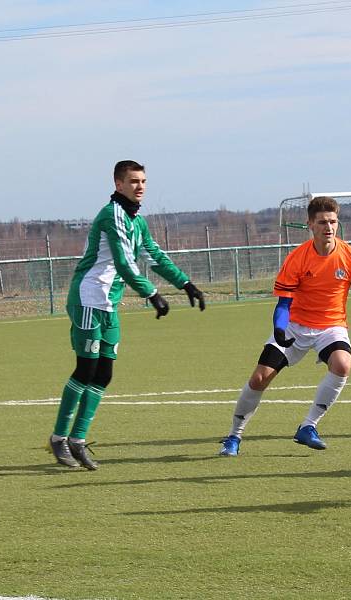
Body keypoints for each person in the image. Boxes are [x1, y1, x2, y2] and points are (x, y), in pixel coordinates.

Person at [49, 160, 206, 470]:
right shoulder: (112, 216)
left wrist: (186, 284)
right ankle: (59, 439)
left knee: (104, 374)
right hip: (89, 299)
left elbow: (154, 256)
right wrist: (151, 293)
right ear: (118, 184)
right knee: (86, 369)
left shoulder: (138, 221)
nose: (140, 186)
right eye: (134, 181)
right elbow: (123, 262)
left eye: (143, 180)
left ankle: (78, 441)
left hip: (110, 303)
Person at [218, 196, 351, 456]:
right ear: (310, 225)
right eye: (322, 222)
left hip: (331, 327)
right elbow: (283, 304)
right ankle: (234, 437)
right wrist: (279, 328)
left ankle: (308, 426)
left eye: (333, 221)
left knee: (342, 364)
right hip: (294, 326)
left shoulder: (350, 257)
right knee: (259, 379)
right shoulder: (297, 259)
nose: (329, 227)